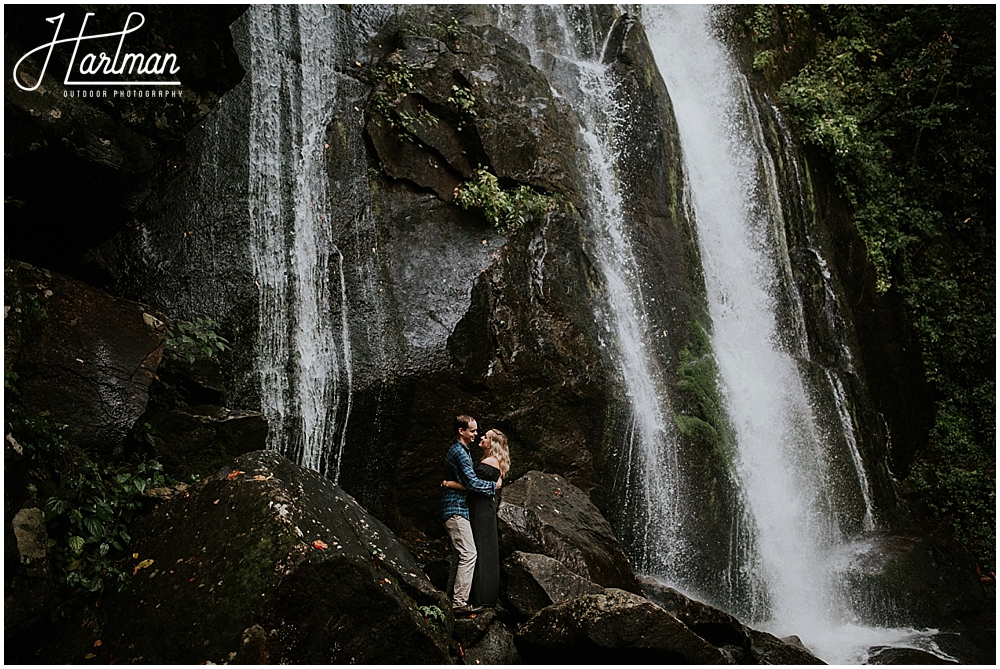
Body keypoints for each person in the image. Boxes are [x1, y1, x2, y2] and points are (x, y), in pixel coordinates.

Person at [443, 428, 509, 608]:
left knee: (475, 550)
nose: (481, 438)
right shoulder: (490, 461)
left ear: (492, 444)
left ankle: (478, 596)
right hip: (480, 509)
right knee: (477, 550)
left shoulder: (490, 462)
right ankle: (476, 595)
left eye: (485, 437)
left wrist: (449, 483)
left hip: (480, 511)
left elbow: (471, 485)